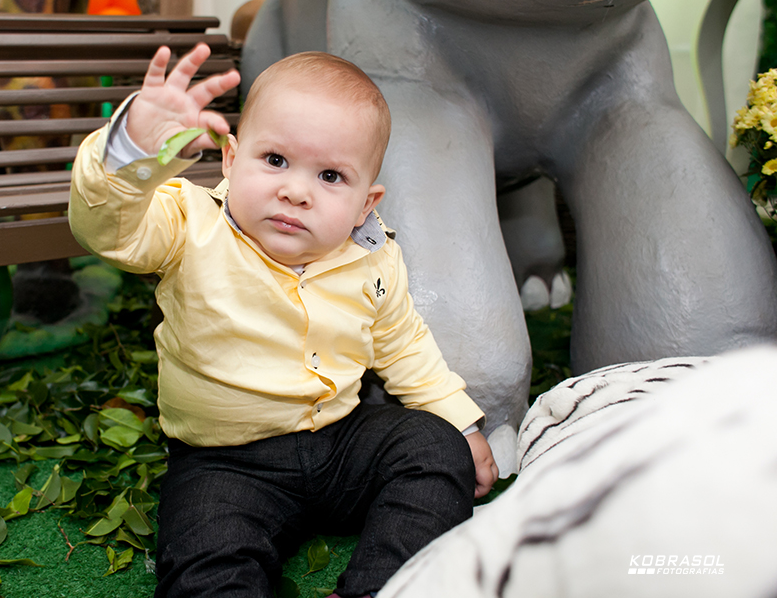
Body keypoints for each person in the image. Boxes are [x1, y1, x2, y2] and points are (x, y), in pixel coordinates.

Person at [68, 43, 498, 598]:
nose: (295, 191)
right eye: (275, 161)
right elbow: (105, 229)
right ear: (229, 159)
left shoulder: (371, 254)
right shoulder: (186, 224)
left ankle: (379, 588)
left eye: (330, 176)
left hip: (343, 440)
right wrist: (129, 153)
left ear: (367, 204)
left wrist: (458, 421)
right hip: (226, 463)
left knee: (435, 448)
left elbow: (403, 342)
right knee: (206, 554)